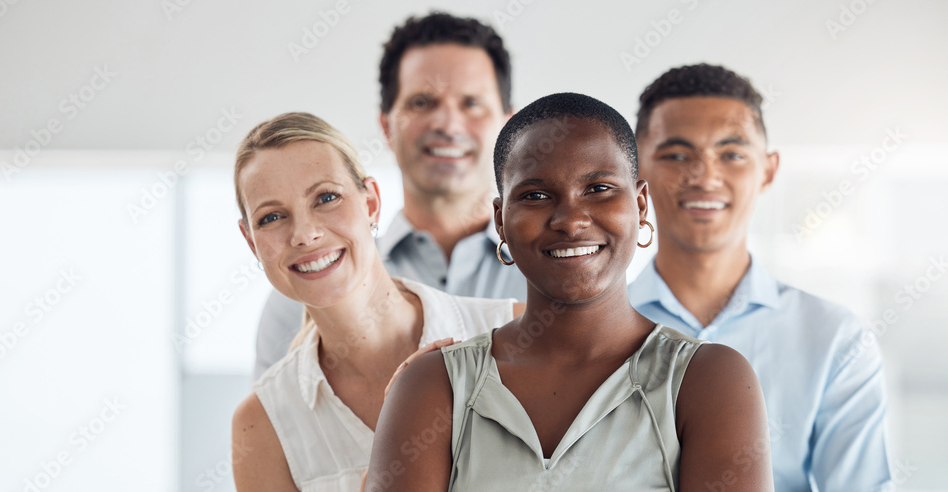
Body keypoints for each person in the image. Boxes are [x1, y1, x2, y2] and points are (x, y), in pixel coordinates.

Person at [366, 93, 773, 491]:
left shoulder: (709, 380)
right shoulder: (435, 386)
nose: (571, 220)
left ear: (641, 205)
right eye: (535, 196)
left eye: (598, 189)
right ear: (501, 220)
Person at [628, 63, 892, 491]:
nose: (705, 177)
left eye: (731, 155)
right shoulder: (591, 334)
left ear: (768, 171)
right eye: (677, 155)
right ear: (635, 171)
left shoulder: (835, 340)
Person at [230, 112, 521, 491]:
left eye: (326, 197)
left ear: (371, 204)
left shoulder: (510, 334)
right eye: (271, 217)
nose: (304, 234)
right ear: (252, 241)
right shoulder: (262, 424)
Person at [252, 12, 526, 379]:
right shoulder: (309, 282)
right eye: (422, 103)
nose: (447, 124)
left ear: (509, 126)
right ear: (386, 126)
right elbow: (280, 428)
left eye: (471, 103)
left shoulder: (560, 272)